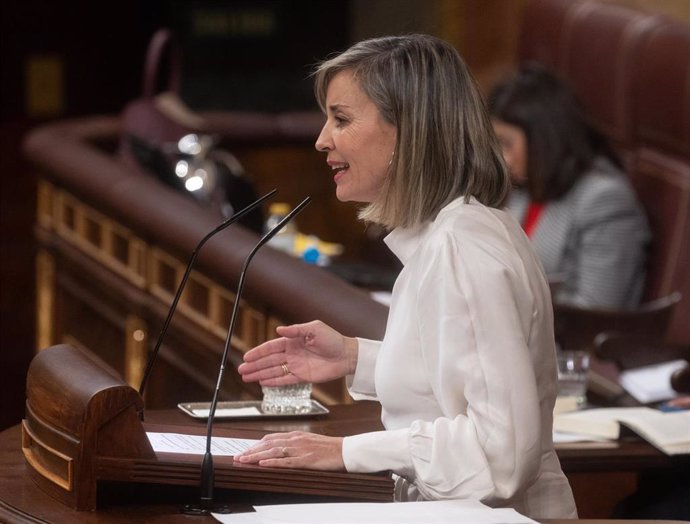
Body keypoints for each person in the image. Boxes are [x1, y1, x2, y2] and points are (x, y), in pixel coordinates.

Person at [236, 35, 577, 519]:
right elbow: (457, 379)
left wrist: (345, 452)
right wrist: (356, 357)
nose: (321, 139)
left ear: (407, 131)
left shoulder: (461, 249)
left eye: (342, 119)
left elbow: (501, 456)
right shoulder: (459, 231)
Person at [488, 64, 650, 309]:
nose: (502, 157)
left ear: (544, 138)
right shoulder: (521, 187)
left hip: (568, 342)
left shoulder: (604, 200)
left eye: (507, 143)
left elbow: (595, 310)